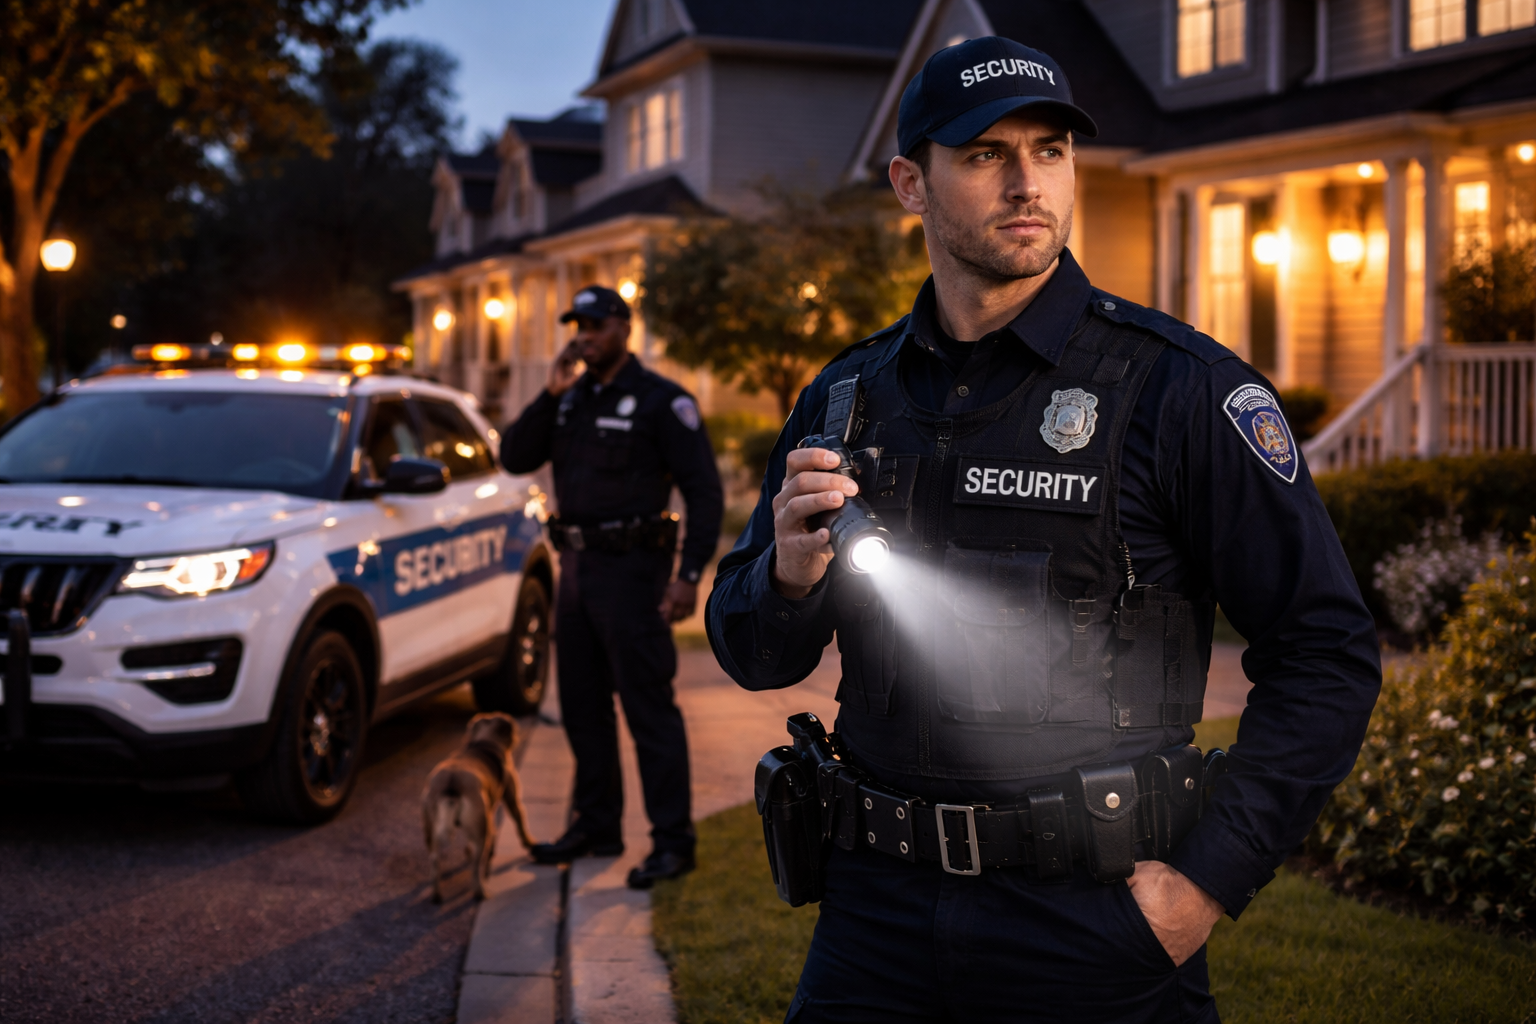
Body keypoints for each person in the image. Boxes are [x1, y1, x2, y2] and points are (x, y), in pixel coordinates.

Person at [705, 36, 1381, 1023]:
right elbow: (754, 649)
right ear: (910, 182)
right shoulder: (848, 398)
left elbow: (1326, 651)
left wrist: (1199, 887)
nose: (1028, 182)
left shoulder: (1181, 389)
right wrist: (790, 577)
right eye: (985, 154)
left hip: (1090, 928)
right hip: (874, 924)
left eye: (1051, 149)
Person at [503, 285, 723, 889]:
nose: (584, 335)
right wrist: (548, 397)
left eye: (596, 325)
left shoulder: (661, 402)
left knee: (648, 710)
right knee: (582, 708)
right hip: (574, 574)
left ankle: (673, 843)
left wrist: (687, 576)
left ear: (624, 329)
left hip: (632, 576)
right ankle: (597, 826)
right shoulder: (568, 402)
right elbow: (514, 455)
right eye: (578, 325)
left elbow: (705, 493)